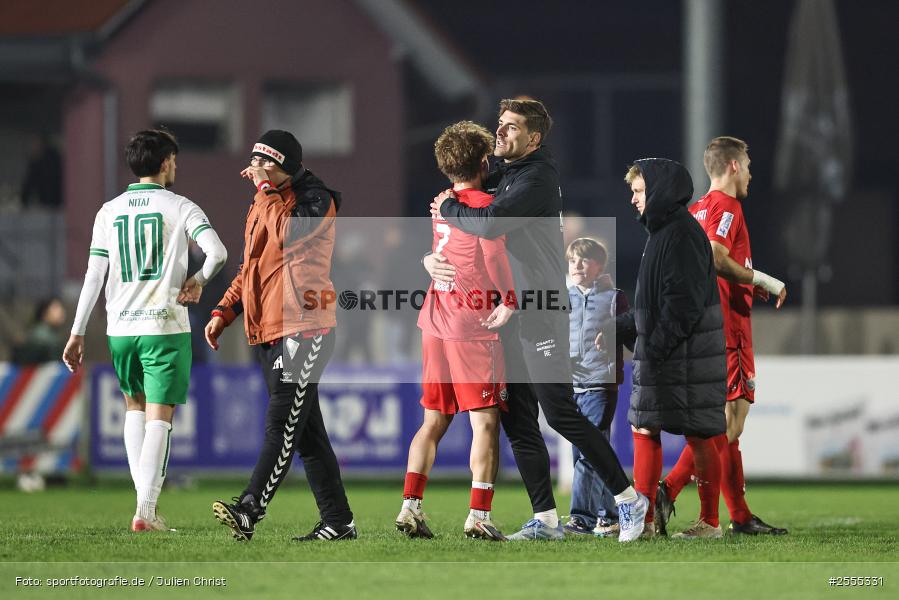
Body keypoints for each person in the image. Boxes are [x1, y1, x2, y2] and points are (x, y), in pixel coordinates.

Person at [428, 99, 647, 543]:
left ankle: (628, 499)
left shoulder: (537, 178)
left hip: (543, 308)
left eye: (511, 127)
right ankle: (545, 519)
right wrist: (430, 257)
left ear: (534, 138)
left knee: (561, 413)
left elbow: (487, 224)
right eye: (500, 125)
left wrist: (447, 209)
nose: (501, 132)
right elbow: (467, 204)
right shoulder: (505, 174)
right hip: (511, 312)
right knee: (519, 419)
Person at [62, 129, 227, 531]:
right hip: (164, 325)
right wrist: (200, 280)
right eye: (175, 159)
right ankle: (147, 510)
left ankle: (143, 508)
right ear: (167, 161)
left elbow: (93, 275)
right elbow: (218, 253)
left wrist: (77, 330)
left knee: (133, 407)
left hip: (120, 327)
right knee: (160, 416)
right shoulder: (181, 206)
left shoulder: (108, 211)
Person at [206, 130, 356, 542]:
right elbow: (251, 268)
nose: (256, 170)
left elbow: (289, 236)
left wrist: (265, 190)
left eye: (264, 163)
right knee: (307, 434)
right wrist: (225, 310)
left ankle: (250, 508)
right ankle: (339, 522)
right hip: (270, 328)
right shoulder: (264, 200)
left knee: (281, 424)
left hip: (306, 326)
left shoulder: (317, 199)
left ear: (284, 165)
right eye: (254, 162)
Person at [656, 137, 789, 536]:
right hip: (730, 332)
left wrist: (747, 279)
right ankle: (668, 489)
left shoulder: (695, 210)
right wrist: (764, 278)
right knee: (730, 424)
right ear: (732, 166)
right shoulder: (726, 206)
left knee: (722, 426)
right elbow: (716, 256)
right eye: (746, 165)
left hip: (703, 327)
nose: (749, 173)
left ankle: (741, 515)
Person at [396, 121, 516, 542]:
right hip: (472, 323)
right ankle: (479, 515)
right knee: (485, 424)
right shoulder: (484, 206)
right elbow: (492, 254)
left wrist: (428, 259)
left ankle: (410, 507)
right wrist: (510, 298)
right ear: (484, 161)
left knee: (433, 422)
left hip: (434, 321)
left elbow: (443, 247)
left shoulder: (443, 200)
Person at [616, 158, 726, 539]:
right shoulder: (664, 233)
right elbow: (653, 305)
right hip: (677, 350)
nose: (633, 200)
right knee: (660, 429)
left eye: (639, 191)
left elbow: (682, 304)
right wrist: (620, 329)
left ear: (659, 190)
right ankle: (650, 521)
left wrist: (653, 347)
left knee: (685, 432)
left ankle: (703, 522)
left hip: (682, 353)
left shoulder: (679, 234)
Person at [563, 238, 630, 538]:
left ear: (599, 266)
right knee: (586, 453)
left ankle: (582, 519)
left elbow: (631, 332)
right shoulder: (562, 297)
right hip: (571, 387)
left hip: (601, 385)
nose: (577, 265)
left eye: (584, 260)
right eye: (573, 260)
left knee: (589, 454)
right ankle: (611, 515)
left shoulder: (615, 298)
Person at [12, 297, 68, 364]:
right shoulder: (44, 337)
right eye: (55, 308)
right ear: (44, 312)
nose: (61, 311)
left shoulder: (41, 332)